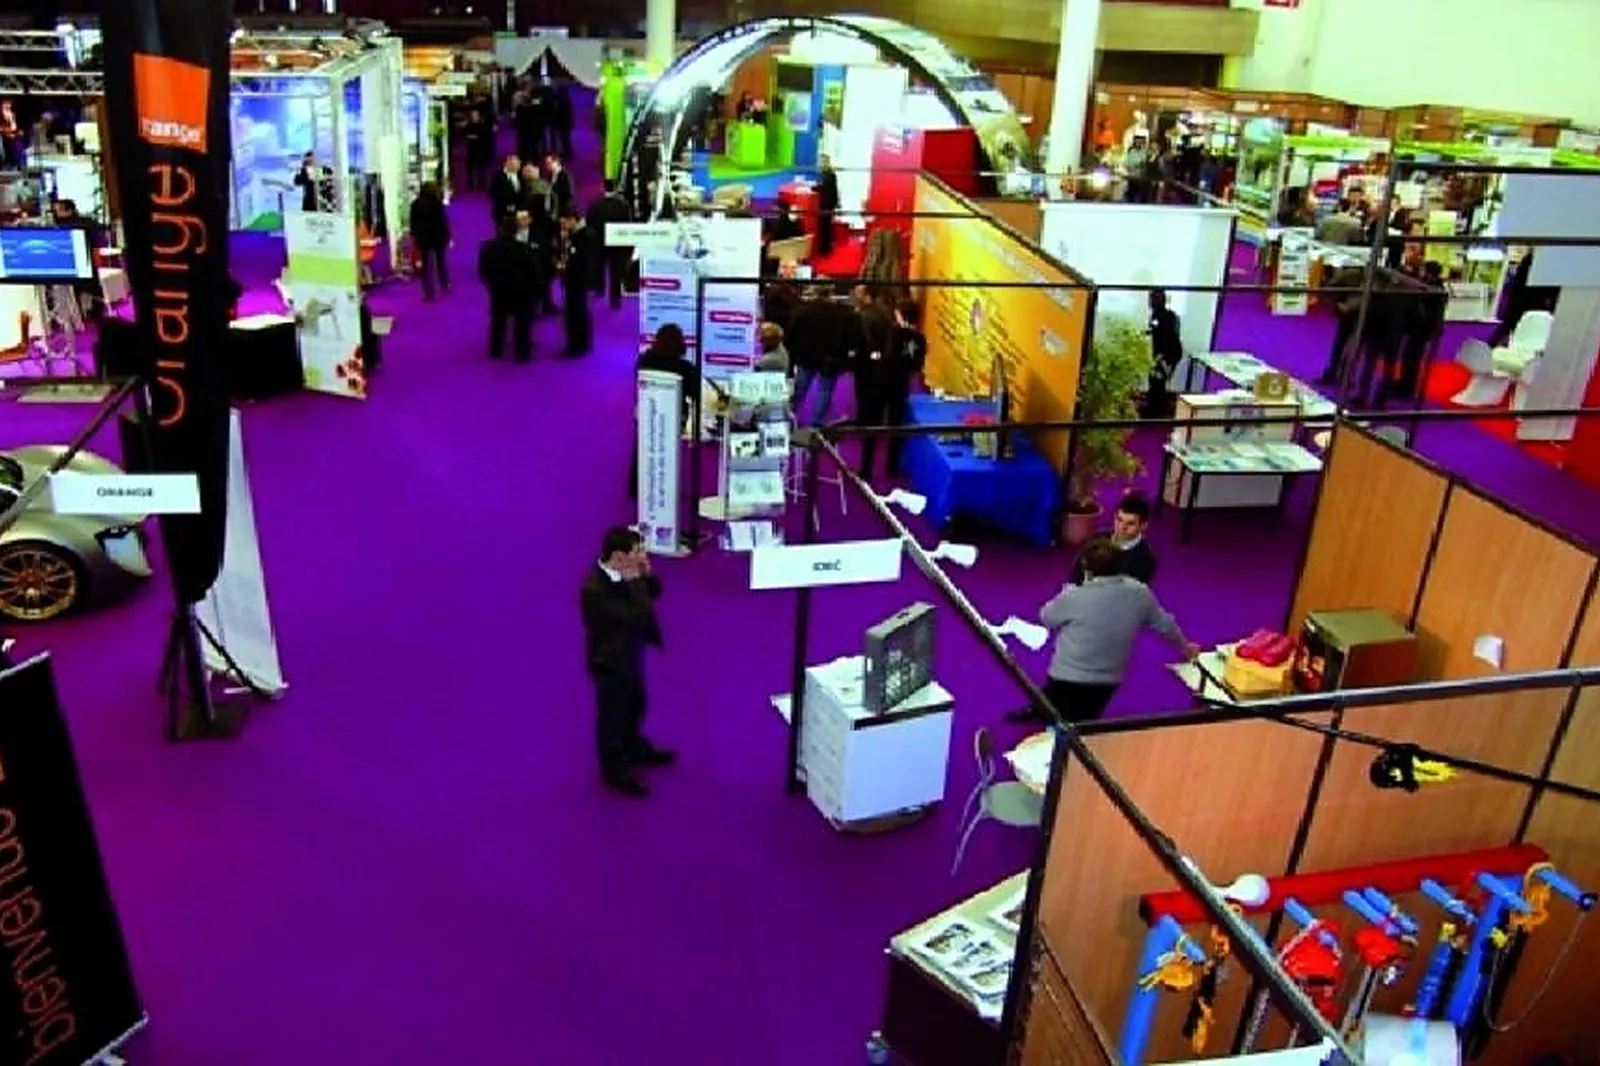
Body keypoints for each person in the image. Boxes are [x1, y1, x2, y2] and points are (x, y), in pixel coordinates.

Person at [1008, 537, 1198, 725]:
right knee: (1082, 719)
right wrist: (1185, 646)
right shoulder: (1140, 591)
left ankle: (1048, 713)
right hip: (1109, 680)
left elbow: (1046, 617)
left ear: (1086, 567)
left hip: (1066, 675)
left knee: (1062, 718)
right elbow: (1165, 624)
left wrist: (1066, 592)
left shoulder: (1075, 595)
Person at [581, 526, 674, 797]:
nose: (643, 555)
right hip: (610, 661)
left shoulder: (631, 571)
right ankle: (615, 769)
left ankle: (633, 747)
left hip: (632, 652)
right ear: (619, 556)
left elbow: (655, 592)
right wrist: (634, 582)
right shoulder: (594, 590)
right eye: (638, 551)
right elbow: (634, 615)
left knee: (636, 705)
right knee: (612, 717)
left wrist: (647, 574)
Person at [857, 298, 926, 482]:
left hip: (880, 382)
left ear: (899, 313)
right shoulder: (920, 339)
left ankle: (866, 469)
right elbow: (917, 366)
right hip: (901, 386)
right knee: (896, 427)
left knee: (873, 424)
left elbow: (882, 355)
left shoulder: (891, 332)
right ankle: (892, 467)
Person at [630, 323, 702, 499]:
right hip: (674, 417)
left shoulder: (643, 361)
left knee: (642, 446)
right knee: (669, 451)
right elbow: (696, 394)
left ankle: (635, 485)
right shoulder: (686, 368)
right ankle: (666, 485)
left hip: (647, 411)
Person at [477, 215, 539, 362]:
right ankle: (522, 353)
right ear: (516, 231)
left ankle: (496, 350)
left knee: (498, 321)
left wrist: (491, 284)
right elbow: (534, 272)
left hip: (498, 290)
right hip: (521, 292)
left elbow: (483, 270)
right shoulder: (524, 249)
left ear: (500, 229)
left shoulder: (489, 247)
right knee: (522, 322)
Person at [1071, 494, 1158, 585]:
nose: (1122, 527)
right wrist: (1088, 585)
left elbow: (1131, 589)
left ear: (1143, 526)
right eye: (1119, 520)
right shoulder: (1097, 538)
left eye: (1130, 523)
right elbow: (1080, 569)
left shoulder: (1145, 559)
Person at [1396, 261, 1447, 400]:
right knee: (1408, 356)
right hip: (1419, 326)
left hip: (1423, 328)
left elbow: (1431, 309)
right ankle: (1404, 382)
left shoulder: (1435, 288)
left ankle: (1407, 387)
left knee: (1412, 358)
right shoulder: (1431, 285)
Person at [585, 180, 632, 309]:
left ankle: (599, 288)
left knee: (598, 266)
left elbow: (589, 222)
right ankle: (615, 298)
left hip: (599, 241)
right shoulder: (623, 206)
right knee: (616, 271)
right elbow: (627, 224)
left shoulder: (595, 205)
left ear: (602, 188)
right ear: (615, 189)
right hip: (617, 241)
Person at [1143, 288, 1183, 419]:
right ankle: (1156, 409)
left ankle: (1155, 412)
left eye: (1151, 298)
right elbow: (1153, 329)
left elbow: (1165, 337)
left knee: (1157, 381)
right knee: (1157, 381)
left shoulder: (1161, 316)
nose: (1149, 301)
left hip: (1167, 355)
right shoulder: (1166, 315)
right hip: (1167, 354)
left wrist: (1163, 360)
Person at [407, 182, 451, 301]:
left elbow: (413, 223)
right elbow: (443, 222)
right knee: (440, 262)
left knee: (425, 266)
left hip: (423, 237)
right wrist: (448, 236)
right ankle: (444, 283)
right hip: (438, 236)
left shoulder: (415, 205)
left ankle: (428, 291)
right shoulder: (438, 204)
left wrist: (414, 236)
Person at [559, 213, 594, 357]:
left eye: (564, 223)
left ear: (572, 220)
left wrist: (565, 267)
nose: (563, 226)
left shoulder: (583, 236)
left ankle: (575, 346)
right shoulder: (578, 234)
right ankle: (582, 343)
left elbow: (579, 260)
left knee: (575, 313)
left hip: (577, 281)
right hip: (577, 280)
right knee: (580, 311)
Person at [463, 106, 493, 192]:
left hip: (482, 151)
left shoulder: (484, 126)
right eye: (472, 116)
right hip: (472, 151)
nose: (474, 117)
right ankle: (471, 187)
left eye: (475, 115)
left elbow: (486, 138)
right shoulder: (468, 125)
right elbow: (465, 134)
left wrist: (476, 137)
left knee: (482, 170)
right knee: (470, 169)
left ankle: (483, 186)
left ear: (479, 116)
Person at [815, 155, 840, 257]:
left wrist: (812, 187)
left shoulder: (829, 174)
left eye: (820, 162)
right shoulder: (828, 173)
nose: (818, 164)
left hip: (827, 204)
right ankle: (825, 247)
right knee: (826, 226)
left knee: (825, 226)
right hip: (829, 203)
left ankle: (825, 249)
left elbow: (823, 187)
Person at [491, 155, 522, 220]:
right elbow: (495, 195)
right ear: (505, 164)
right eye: (511, 162)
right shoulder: (498, 178)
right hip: (504, 215)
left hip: (520, 215)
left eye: (517, 162)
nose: (515, 164)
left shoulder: (522, 177)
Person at [546, 153, 576, 220]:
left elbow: (570, 194)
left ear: (556, 162)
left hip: (563, 209)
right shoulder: (550, 176)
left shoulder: (566, 176)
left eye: (549, 163)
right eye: (546, 164)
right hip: (553, 208)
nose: (547, 166)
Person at [552, 81, 575, 160]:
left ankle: (566, 153)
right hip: (566, 123)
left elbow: (558, 113)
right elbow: (570, 113)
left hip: (561, 123)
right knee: (566, 138)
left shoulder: (560, 102)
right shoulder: (567, 101)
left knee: (563, 139)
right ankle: (567, 153)